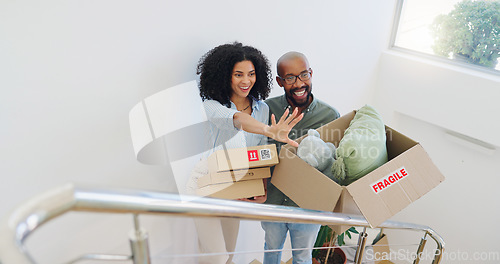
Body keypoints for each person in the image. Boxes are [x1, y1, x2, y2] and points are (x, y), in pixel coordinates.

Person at [187, 42, 304, 264]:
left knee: (229, 253)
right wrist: (270, 130)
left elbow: (258, 154)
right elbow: (239, 121)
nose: (246, 81)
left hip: (235, 187)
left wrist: (260, 186)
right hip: (205, 186)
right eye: (238, 74)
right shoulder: (212, 105)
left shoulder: (263, 109)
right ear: (225, 77)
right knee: (217, 257)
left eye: (251, 74)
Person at [262, 51, 341, 264]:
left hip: (307, 205)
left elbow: (333, 164)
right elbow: (256, 151)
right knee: (270, 251)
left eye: (304, 75)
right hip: (273, 201)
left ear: (311, 74)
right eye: (290, 78)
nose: (299, 83)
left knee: (302, 257)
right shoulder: (267, 109)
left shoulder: (330, 116)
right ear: (280, 81)